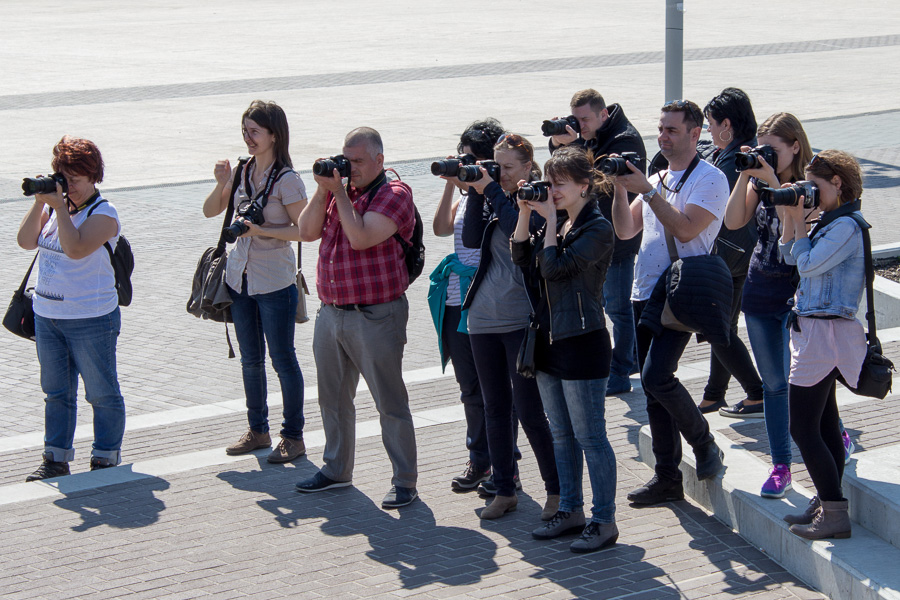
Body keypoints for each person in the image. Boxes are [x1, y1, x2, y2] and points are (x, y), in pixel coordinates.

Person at [611, 100, 728, 505]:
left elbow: (686, 228)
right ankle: (667, 478)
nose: (662, 137)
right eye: (661, 128)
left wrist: (647, 191)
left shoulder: (711, 179)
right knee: (651, 390)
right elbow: (625, 230)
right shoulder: (658, 177)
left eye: (672, 130)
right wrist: (619, 187)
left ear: (695, 134)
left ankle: (704, 442)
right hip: (644, 291)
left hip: (680, 292)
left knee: (657, 376)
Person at [295, 127, 419, 510]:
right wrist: (323, 190)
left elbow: (361, 237)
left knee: (389, 401)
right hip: (332, 312)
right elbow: (305, 231)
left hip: (375, 315)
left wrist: (339, 194)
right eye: (346, 160)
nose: (351, 168)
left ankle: (404, 481)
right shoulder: (340, 192)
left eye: (359, 161)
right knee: (332, 399)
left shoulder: (395, 193)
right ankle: (336, 469)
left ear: (380, 159)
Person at [511, 146, 618, 553]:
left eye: (559, 184)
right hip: (547, 341)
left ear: (584, 185)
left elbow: (555, 268)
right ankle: (570, 510)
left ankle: (603, 520)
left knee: (590, 436)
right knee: (561, 434)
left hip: (582, 342)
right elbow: (521, 257)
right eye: (548, 183)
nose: (551, 191)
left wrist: (551, 221)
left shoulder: (597, 228)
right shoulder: (556, 223)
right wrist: (526, 213)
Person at [461, 133, 560, 520]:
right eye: (495, 166)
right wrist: (476, 191)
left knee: (530, 412)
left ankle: (556, 492)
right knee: (495, 409)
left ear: (527, 167)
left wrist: (490, 190)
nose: (499, 173)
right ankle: (504, 491)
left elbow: (519, 235)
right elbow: (471, 239)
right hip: (483, 318)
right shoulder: (493, 196)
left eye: (507, 167)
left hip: (520, 319)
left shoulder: (536, 199)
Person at [203, 100, 308, 464]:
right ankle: (258, 430)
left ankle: (293, 436)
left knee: (283, 359)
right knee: (250, 360)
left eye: (254, 132)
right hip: (240, 277)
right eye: (245, 131)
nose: (248, 138)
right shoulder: (243, 170)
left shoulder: (288, 180)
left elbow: (306, 231)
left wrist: (261, 230)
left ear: (274, 135)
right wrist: (221, 183)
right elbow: (210, 211)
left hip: (275, 280)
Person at [17, 136, 125, 480]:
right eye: (64, 179)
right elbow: (25, 241)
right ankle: (55, 459)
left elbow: (76, 249)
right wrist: (42, 202)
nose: (70, 187)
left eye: (75, 180)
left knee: (101, 392)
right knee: (56, 393)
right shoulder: (53, 209)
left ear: (93, 177)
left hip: (91, 318)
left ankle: (105, 456)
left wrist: (61, 209)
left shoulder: (104, 214)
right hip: (48, 316)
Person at [722, 112, 813, 499]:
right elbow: (732, 221)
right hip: (760, 290)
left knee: (807, 380)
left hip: (798, 293)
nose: (767, 156)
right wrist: (746, 173)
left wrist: (775, 183)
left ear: (795, 146)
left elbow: (793, 232)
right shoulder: (759, 179)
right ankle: (781, 466)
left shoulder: (811, 184)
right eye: (762, 149)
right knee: (775, 385)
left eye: (773, 149)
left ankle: (835, 431)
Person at [779, 150, 867, 540]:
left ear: (837, 183)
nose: (809, 193)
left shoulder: (846, 226)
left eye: (814, 186)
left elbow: (808, 265)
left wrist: (800, 221)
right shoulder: (829, 222)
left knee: (801, 427)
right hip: (817, 333)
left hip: (824, 335)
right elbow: (788, 255)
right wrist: (791, 217)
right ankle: (826, 501)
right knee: (825, 422)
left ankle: (834, 512)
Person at [549, 89, 645, 395]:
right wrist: (558, 145)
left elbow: (596, 183)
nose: (580, 125)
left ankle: (621, 371)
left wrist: (574, 145)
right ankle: (622, 361)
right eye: (575, 119)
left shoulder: (624, 140)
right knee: (602, 306)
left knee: (618, 310)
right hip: (592, 237)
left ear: (603, 114)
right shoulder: (591, 133)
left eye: (585, 119)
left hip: (617, 239)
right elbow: (568, 176)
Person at [429, 118, 505, 492]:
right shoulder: (465, 196)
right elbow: (440, 228)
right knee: (470, 388)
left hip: (488, 300)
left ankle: (505, 465)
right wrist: (451, 183)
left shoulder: (496, 196)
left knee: (497, 391)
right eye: (462, 156)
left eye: (470, 158)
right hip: (457, 299)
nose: (464, 163)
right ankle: (479, 459)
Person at [698, 88, 764, 416]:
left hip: (730, 256)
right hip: (736, 254)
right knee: (722, 327)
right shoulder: (737, 152)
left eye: (711, 124)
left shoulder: (734, 160)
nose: (708, 130)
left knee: (716, 328)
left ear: (726, 124)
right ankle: (714, 395)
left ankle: (757, 392)